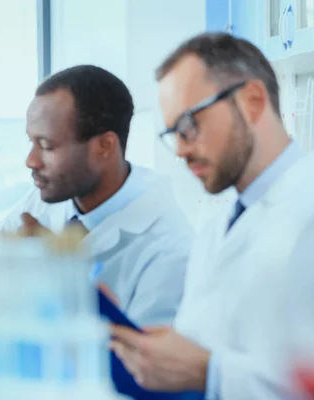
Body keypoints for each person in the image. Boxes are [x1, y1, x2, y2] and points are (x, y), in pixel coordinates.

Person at [109, 33, 314, 399]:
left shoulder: (306, 209)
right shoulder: (220, 220)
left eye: (189, 125)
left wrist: (210, 372)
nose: (181, 151)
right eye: (173, 133)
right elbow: (209, 341)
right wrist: (155, 348)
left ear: (252, 102)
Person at [0, 65, 194, 331]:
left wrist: (60, 277)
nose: (31, 160)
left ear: (104, 146)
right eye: (31, 142)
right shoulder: (42, 202)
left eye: (46, 145)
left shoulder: (169, 249)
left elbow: (146, 363)